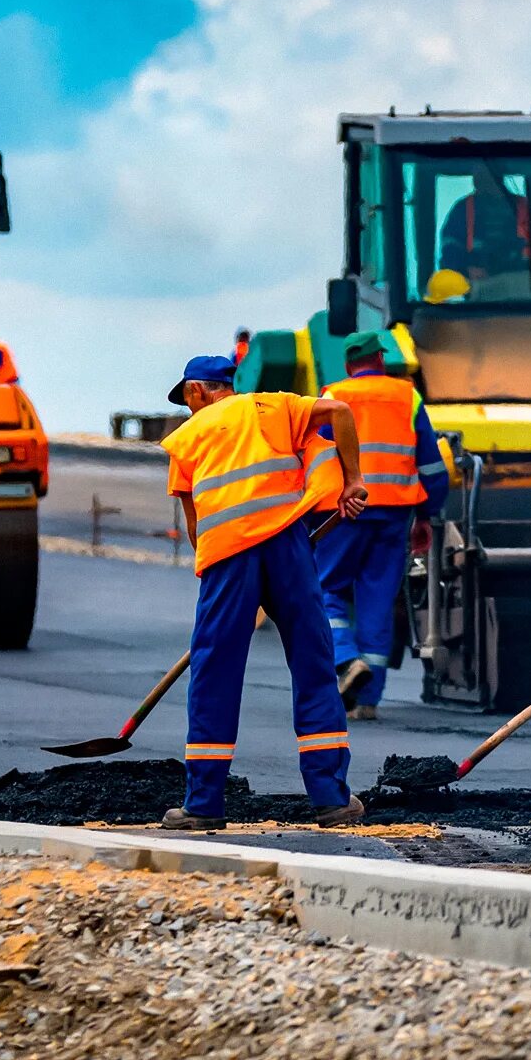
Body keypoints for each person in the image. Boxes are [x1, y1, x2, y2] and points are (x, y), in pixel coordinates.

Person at [159, 354, 370, 830]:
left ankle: (204, 804)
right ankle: (332, 800)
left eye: (188, 399)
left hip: (228, 558)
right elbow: (339, 412)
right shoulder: (273, 407)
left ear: (197, 391)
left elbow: (196, 529)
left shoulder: (186, 439)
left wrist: (228, 588)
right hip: (289, 546)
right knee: (314, 664)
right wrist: (353, 479)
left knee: (214, 672)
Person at [306, 330, 449, 720]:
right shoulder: (408, 396)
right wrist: (427, 514)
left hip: (344, 511)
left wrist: (308, 512)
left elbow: (314, 458)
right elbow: (432, 466)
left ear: (350, 365)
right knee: (377, 602)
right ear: (380, 360)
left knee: (323, 589)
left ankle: (346, 659)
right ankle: (367, 701)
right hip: (395, 514)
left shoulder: (333, 396)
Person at [437, 165, 531, 283]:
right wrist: (465, 270)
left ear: (498, 176)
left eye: (484, 171)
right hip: (477, 296)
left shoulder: (525, 207)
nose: (477, 176)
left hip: (524, 290)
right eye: (476, 171)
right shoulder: (463, 209)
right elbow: (450, 248)